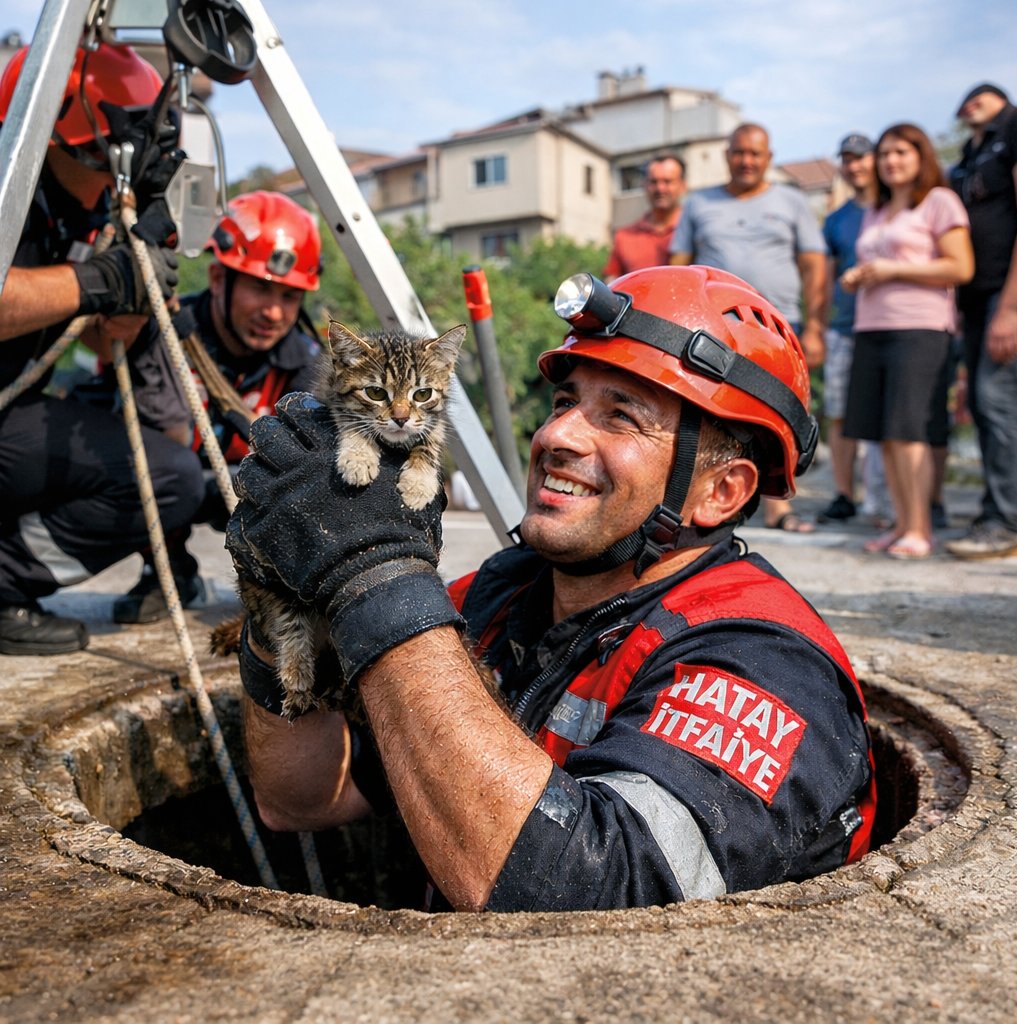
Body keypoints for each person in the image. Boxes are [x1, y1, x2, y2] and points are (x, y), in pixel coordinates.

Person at [226, 265, 876, 913]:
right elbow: (300, 799)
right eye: (565, 404)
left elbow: (581, 892)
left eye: (620, 416)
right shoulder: (498, 595)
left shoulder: (761, 662)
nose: (556, 436)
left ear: (719, 491)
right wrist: (281, 599)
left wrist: (380, 578)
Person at [0, 43, 202, 655]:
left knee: (169, 478)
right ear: (79, 137)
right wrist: (98, 281)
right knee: (165, 481)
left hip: (14, 411)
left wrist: (130, 300)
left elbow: (89, 337)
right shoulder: (9, 188)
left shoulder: (80, 213)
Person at [105, 190, 324, 623]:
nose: (274, 313)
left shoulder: (306, 362)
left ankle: (279, 586)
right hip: (172, 481)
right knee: (164, 469)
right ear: (219, 279)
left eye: (289, 297)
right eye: (261, 288)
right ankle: (167, 573)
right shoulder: (164, 333)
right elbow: (155, 434)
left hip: (248, 489)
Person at [669, 123, 827, 533]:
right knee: (706, 413)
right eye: (739, 153)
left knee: (781, 417)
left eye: (755, 154)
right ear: (727, 155)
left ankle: (779, 508)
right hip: (717, 328)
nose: (747, 161)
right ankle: (696, 503)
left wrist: (815, 328)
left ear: (768, 158)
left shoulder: (791, 201)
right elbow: (680, 262)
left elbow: (814, 266)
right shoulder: (699, 203)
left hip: (779, 327)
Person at [840, 124, 973, 559]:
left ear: (921, 156)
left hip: (920, 329)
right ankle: (901, 525)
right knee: (883, 434)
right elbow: (879, 264)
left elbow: (959, 267)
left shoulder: (940, 201)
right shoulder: (876, 210)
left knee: (909, 430)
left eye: (900, 152)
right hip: (871, 328)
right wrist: (860, 275)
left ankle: (920, 529)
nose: (890, 161)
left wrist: (893, 271)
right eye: (885, 154)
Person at [946, 84, 1017, 559]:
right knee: (983, 402)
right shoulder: (969, 154)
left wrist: (1012, 307)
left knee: (1000, 399)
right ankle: (997, 509)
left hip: (1006, 293)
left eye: (983, 95)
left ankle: (1008, 520)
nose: (970, 100)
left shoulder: (1016, 125)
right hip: (976, 300)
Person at [817, 133, 890, 526]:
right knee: (840, 413)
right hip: (844, 325)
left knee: (884, 415)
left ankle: (885, 499)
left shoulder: (894, 208)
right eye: (847, 159)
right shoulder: (836, 219)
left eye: (860, 158)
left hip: (885, 323)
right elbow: (825, 280)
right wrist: (820, 325)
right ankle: (844, 493)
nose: (854, 166)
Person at [603, 154, 686, 279]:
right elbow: (611, 282)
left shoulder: (696, 232)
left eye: (668, 181)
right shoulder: (625, 237)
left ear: (682, 185)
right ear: (645, 185)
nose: (660, 188)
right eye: (654, 182)